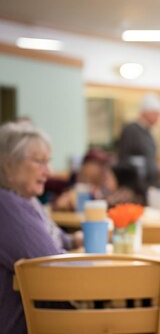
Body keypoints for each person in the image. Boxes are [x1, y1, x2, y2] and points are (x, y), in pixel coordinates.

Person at [0, 122, 65, 334]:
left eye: (49, 162)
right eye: (39, 162)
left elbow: (55, 240)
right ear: (7, 164)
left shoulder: (26, 200)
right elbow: (50, 265)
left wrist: (76, 241)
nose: (49, 172)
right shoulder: (7, 205)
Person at [117, 93, 160, 189]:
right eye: (156, 114)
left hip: (149, 186)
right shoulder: (130, 130)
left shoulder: (148, 132)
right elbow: (124, 160)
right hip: (135, 188)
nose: (158, 118)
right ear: (147, 112)